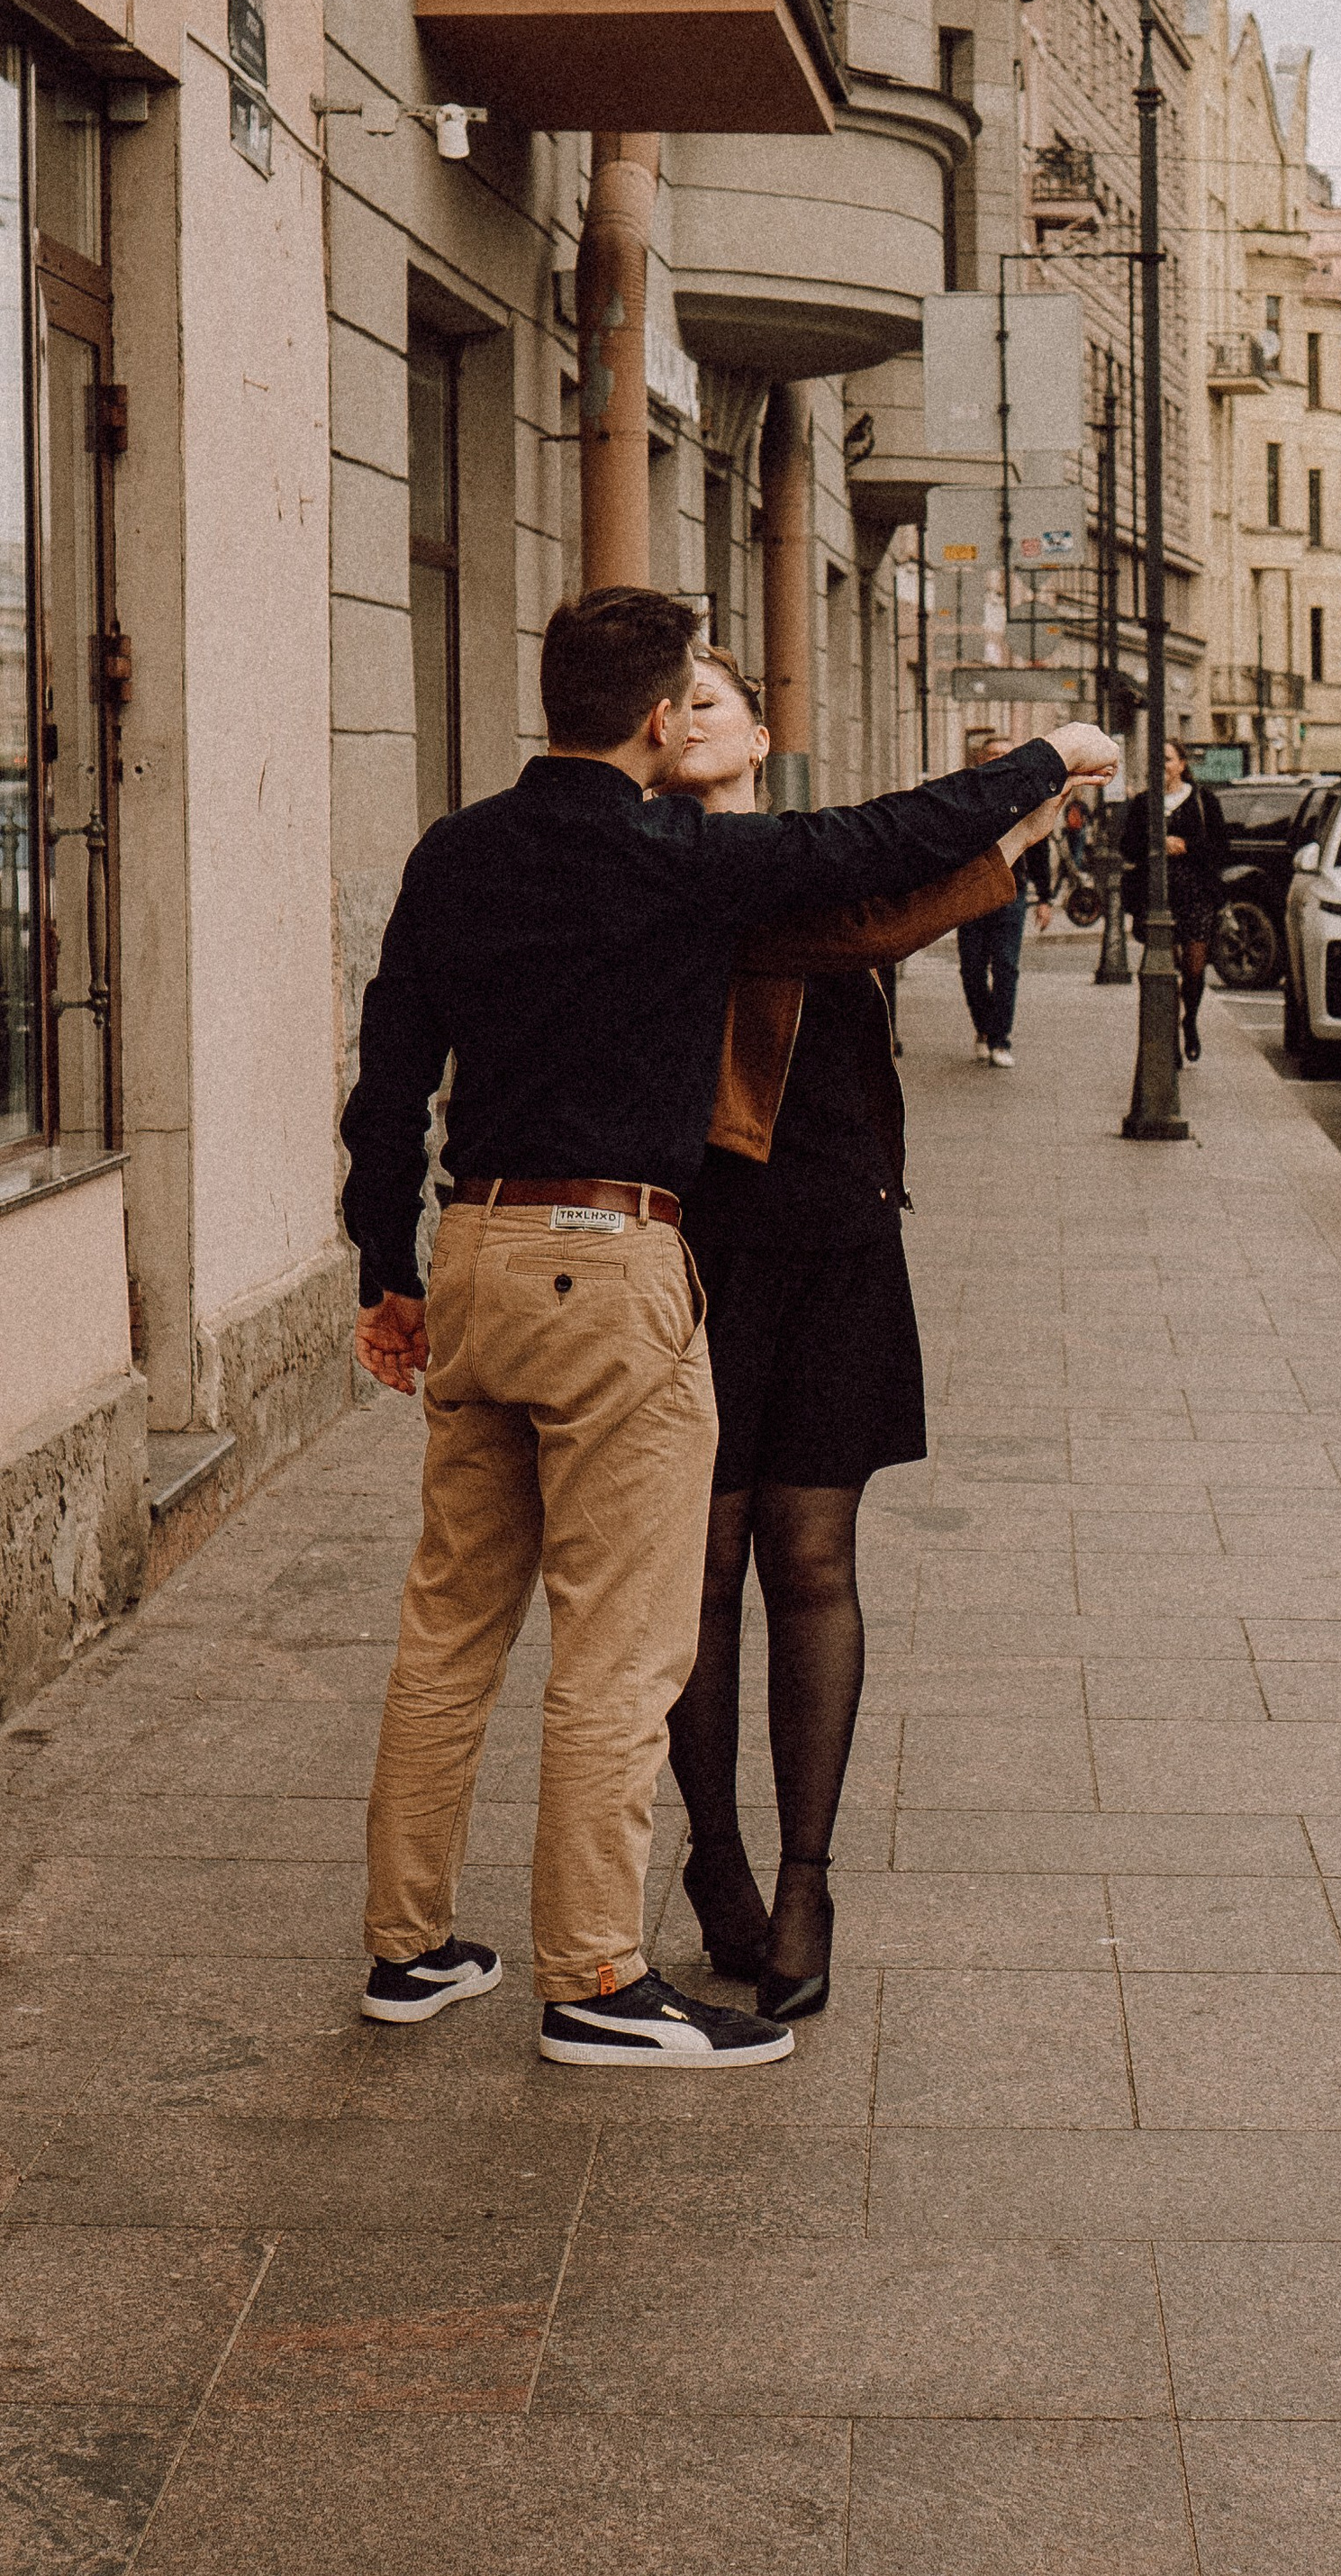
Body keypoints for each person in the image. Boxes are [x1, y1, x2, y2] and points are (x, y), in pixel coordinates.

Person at [340, 585, 1114, 2072]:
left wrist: (391, 1265)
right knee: (626, 1649)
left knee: (449, 1626)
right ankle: (595, 1979)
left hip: (476, 1255)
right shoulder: (669, 857)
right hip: (608, 1262)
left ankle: (412, 1947)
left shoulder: (456, 853)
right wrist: (1044, 760)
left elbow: (389, 1079)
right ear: (649, 720)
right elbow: (864, 852)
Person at [660, 650, 1004, 2013]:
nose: (692, 712)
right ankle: (720, 1856)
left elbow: (863, 912)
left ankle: (807, 1879)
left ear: (758, 731)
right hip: (700, 1252)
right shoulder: (666, 872)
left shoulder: (816, 858)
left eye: (714, 697)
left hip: (842, 1241)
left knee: (811, 1555)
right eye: (671, 698)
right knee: (701, 1561)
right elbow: (857, 927)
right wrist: (1006, 822)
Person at [1119, 739, 1226, 1061]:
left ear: (1181, 765)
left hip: (1196, 894)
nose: (1161, 767)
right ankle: (1168, 1040)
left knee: (1193, 967)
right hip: (1156, 897)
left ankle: (1189, 1020)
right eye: (1156, 761)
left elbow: (1222, 847)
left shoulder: (1204, 800)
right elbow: (1128, 848)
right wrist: (1157, 843)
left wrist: (1187, 846)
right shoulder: (1143, 804)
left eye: (1167, 760)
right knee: (1163, 970)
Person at [956, 735, 1054, 1068]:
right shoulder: (966, 793)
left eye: (1005, 753)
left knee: (1006, 966)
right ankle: (983, 1027)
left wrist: (1045, 898)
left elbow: (1039, 848)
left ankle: (1000, 1039)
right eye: (992, 754)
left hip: (1012, 889)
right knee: (971, 968)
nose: (998, 758)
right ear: (981, 759)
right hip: (969, 890)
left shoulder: (1028, 797)